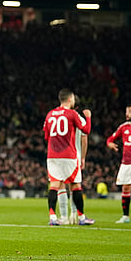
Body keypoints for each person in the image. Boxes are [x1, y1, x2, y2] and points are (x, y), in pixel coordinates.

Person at [43, 89, 94, 226]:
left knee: (54, 185)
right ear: (71, 99)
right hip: (69, 155)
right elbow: (86, 131)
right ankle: (82, 217)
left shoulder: (50, 115)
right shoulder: (72, 114)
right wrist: (88, 117)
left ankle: (53, 217)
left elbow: (46, 136)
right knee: (75, 185)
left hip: (52, 155)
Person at [57, 95, 88, 225]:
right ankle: (75, 215)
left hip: (59, 156)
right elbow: (84, 139)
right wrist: (83, 158)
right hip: (74, 156)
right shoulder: (80, 119)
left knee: (61, 185)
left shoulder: (58, 116)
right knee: (75, 186)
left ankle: (64, 216)